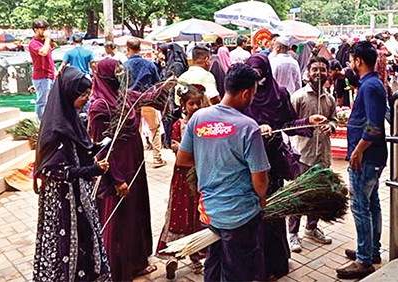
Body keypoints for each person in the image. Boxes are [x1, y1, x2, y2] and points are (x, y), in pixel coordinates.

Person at [176, 63, 270, 281]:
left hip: (209, 211)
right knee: (238, 270)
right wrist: (262, 198)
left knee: (214, 262)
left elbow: (182, 159)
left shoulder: (199, 118)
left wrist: (210, 162)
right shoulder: (249, 127)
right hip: (240, 215)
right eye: (253, 94)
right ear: (246, 93)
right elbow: (260, 179)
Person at [89, 59, 174, 281]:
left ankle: (137, 261)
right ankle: (118, 268)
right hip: (116, 167)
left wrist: (165, 86)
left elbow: (149, 99)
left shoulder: (125, 94)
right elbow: (101, 149)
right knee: (119, 218)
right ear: (105, 75)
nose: (119, 75)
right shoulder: (99, 106)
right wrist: (116, 179)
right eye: (115, 72)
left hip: (135, 163)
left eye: (120, 71)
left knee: (135, 213)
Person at [245, 54, 327, 280]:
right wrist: (255, 129)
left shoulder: (279, 94)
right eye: (254, 75)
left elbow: (289, 125)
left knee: (272, 214)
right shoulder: (244, 97)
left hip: (273, 162)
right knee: (254, 215)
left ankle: (276, 263)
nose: (258, 81)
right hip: (248, 165)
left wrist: (308, 122)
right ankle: (255, 267)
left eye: (261, 74)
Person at [33, 66, 111, 281]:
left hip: (79, 193)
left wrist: (96, 148)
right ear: (69, 93)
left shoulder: (73, 118)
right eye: (82, 94)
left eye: (88, 93)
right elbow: (51, 169)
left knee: (86, 238)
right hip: (62, 198)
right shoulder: (55, 127)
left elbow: (79, 149)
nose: (86, 98)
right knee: (65, 244)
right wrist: (91, 170)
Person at [336, 41, 387, 280]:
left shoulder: (370, 87)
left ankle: (364, 261)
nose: (349, 63)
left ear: (358, 61)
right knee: (371, 202)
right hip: (370, 156)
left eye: (351, 59)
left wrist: (357, 151)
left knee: (360, 206)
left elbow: (374, 127)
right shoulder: (370, 83)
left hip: (366, 157)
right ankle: (370, 250)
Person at [157, 84, 209, 279]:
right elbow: (173, 146)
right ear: (183, 105)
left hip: (200, 175)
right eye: (191, 103)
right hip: (182, 176)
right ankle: (174, 254)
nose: (195, 107)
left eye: (198, 103)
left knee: (197, 213)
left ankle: (196, 255)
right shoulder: (179, 124)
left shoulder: (205, 125)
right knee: (179, 212)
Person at [288, 56, 336, 253]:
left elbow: (334, 120)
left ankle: (312, 228)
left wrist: (330, 127)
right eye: (315, 69)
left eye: (322, 70)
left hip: (322, 155)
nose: (318, 73)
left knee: (318, 194)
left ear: (328, 73)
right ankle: (293, 233)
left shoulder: (330, 99)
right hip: (303, 154)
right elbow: (289, 125)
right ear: (308, 72)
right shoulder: (298, 97)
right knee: (299, 194)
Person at [123, 37, 166, 168]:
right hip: (148, 100)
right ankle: (157, 158)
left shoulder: (124, 66)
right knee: (155, 129)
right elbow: (157, 83)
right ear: (140, 48)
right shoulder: (149, 64)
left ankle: (137, 159)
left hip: (131, 103)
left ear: (127, 48)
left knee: (135, 131)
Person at [29, 19, 55, 119]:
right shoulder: (33, 43)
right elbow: (43, 52)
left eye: (46, 29)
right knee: (42, 101)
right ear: (36, 30)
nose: (45, 31)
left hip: (50, 75)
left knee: (50, 101)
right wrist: (48, 39)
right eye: (42, 29)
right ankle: (41, 123)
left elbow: (49, 57)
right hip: (41, 76)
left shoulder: (44, 42)